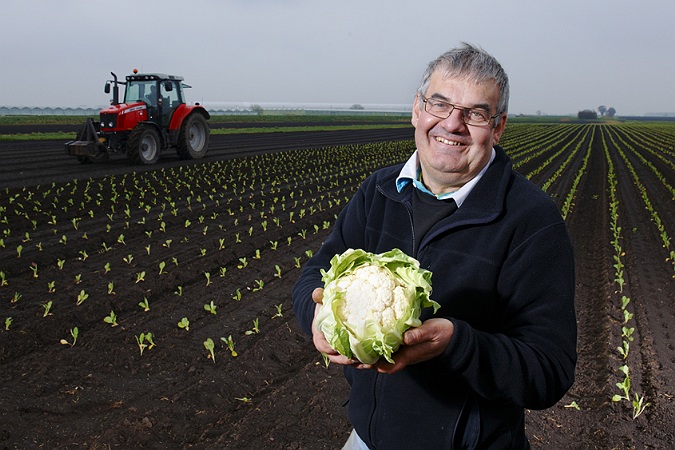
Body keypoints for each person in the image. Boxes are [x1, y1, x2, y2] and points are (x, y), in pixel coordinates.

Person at [292, 43, 577, 449]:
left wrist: (457, 345)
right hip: (367, 440)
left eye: (475, 113)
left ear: (498, 128)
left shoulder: (531, 220)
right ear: (416, 110)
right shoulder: (379, 191)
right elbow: (312, 276)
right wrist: (318, 316)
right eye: (439, 104)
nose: (453, 124)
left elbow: (549, 370)